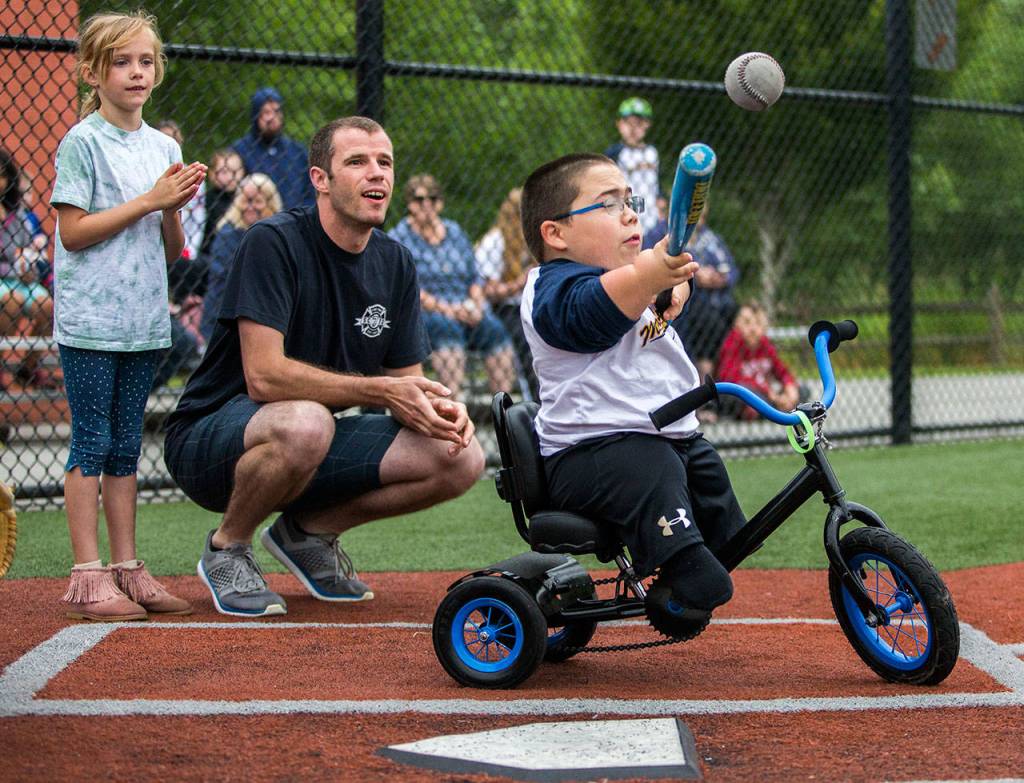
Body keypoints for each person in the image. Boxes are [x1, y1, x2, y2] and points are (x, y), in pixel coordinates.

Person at [164, 116, 485, 618]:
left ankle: (307, 533)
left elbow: (408, 386)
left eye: (385, 163)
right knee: (306, 420)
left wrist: (442, 408)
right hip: (212, 437)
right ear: (320, 179)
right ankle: (228, 546)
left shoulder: (396, 262)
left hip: (307, 441)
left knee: (460, 457)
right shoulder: (273, 242)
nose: (376, 174)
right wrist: (383, 393)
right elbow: (264, 377)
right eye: (357, 162)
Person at [518, 152, 745, 622]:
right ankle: (682, 564)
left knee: (715, 492)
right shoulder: (551, 286)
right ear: (555, 233)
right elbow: (590, 316)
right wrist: (648, 275)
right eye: (607, 205)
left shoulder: (622, 283)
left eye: (630, 201)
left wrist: (666, 286)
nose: (629, 214)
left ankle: (683, 576)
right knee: (652, 470)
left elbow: (633, 291)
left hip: (666, 436)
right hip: (590, 454)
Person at [49, 10, 204, 620]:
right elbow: (73, 233)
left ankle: (126, 568)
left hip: (143, 322)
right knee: (91, 440)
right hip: (91, 322)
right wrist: (149, 200)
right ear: (94, 70)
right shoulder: (81, 142)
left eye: (146, 61)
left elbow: (171, 249)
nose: (137, 72)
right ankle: (88, 575)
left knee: (125, 447)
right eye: (122, 61)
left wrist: (172, 209)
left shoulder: (164, 146)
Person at [388, 174, 516, 401]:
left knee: (494, 329)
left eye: (432, 198)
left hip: (465, 307)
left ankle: (502, 406)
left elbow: (474, 277)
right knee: (447, 329)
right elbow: (410, 289)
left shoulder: (454, 232)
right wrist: (448, 310)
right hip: (427, 312)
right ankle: (452, 404)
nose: (426, 204)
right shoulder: (399, 238)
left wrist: (476, 305)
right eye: (419, 200)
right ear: (409, 204)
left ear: (440, 203)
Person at [199, 173, 282, 343]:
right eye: (245, 200)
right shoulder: (228, 232)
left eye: (257, 201)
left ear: (270, 203)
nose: (250, 207)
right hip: (225, 315)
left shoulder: (278, 233)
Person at [1, 150, 54, 389]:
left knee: (49, 306)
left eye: (2, 176)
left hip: (22, 278)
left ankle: (29, 366)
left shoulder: (19, 214)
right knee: (11, 300)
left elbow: (32, 248)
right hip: (5, 281)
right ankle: (1, 366)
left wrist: (31, 266)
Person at [674, 202, 740, 386]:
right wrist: (696, 276)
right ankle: (705, 380)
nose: (698, 221)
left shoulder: (712, 239)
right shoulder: (670, 237)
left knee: (734, 312)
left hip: (718, 299)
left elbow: (733, 271)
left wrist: (721, 278)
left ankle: (724, 376)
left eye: (701, 216)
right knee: (710, 321)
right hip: (692, 301)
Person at [231, 86, 314, 210]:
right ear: (256, 116)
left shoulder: (297, 151)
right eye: (266, 112)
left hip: (296, 221)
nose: (271, 117)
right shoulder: (240, 150)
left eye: (276, 111)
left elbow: (310, 192)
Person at [716, 302, 802, 420]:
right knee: (741, 392)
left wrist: (790, 386)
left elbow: (782, 371)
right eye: (747, 323)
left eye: (758, 323)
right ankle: (772, 409)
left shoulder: (765, 344)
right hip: (747, 393)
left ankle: (776, 407)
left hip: (766, 395)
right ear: (737, 325)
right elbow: (730, 378)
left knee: (802, 391)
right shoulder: (733, 343)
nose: (752, 328)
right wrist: (770, 393)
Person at [604, 97, 660, 238]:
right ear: (619, 124)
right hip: (625, 215)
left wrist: (661, 199)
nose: (633, 128)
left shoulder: (652, 152)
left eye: (639, 123)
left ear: (647, 124)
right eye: (628, 123)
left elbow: (656, 183)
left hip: (651, 218)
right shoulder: (615, 153)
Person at [200, 148, 246, 257]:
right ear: (211, 174)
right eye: (224, 172)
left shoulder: (245, 199)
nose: (230, 177)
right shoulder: (204, 201)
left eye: (235, 171)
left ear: (243, 171)